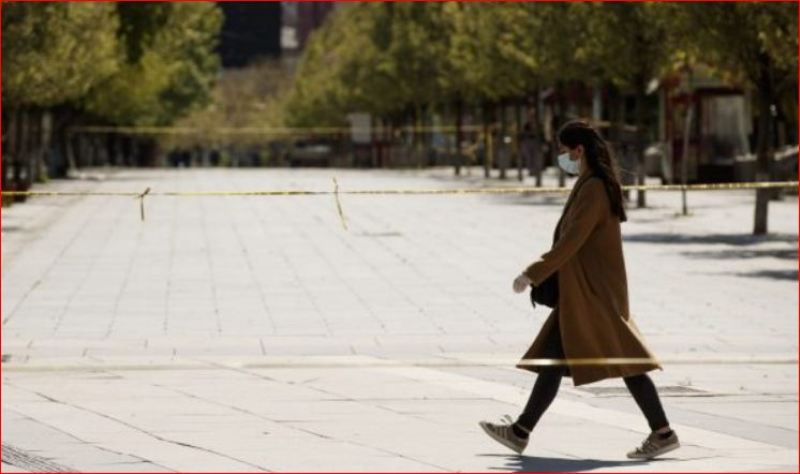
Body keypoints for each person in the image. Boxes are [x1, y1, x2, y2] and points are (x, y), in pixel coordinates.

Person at [479, 120, 680, 460]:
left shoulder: (594, 188)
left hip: (594, 292)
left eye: (564, 151)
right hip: (586, 290)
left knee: (627, 360)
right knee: (557, 359)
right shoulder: (591, 183)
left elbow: (572, 240)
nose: (562, 158)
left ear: (579, 150)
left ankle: (663, 433)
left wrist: (532, 273)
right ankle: (520, 431)